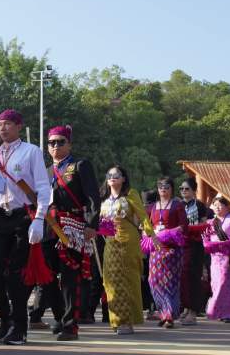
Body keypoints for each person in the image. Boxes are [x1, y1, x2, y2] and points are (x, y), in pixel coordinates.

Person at [0, 109, 50, 345]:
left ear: (19, 126)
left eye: (8, 123)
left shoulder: (31, 152)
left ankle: (20, 327)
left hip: (23, 217)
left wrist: (39, 219)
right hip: (0, 218)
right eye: (0, 124)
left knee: (17, 275)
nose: (3, 128)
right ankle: (5, 319)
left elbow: (43, 187)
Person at [39, 125, 100, 341]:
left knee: (69, 277)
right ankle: (59, 316)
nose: (55, 146)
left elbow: (93, 197)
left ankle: (69, 325)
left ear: (69, 144)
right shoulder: (44, 171)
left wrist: (92, 224)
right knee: (45, 276)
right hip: (48, 227)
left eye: (60, 141)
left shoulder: (80, 165)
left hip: (72, 226)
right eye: (51, 142)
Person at [99, 165, 153, 335]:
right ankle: (116, 320)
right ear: (107, 180)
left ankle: (127, 321)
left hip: (128, 242)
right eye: (110, 175)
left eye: (117, 175)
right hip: (110, 243)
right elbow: (100, 222)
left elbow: (143, 216)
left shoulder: (131, 194)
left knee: (127, 280)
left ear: (123, 179)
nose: (113, 177)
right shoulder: (104, 199)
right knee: (111, 281)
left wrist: (151, 235)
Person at [144, 177, 188, 329]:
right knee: (153, 281)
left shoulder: (178, 206)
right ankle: (163, 312)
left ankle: (169, 315)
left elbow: (184, 226)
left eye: (167, 186)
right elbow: (146, 226)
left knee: (170, 282)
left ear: (172, 189)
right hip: (156, 250)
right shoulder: (152, 207)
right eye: (160, 186)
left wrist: (168, 232)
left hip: (172, 250)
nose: (163, 188)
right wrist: (147, 233)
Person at [178, 178, 210, 325]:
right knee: (182, 277)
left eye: (186, 189)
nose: (184, 191)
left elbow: (204, 225)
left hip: (195, 244)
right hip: (180, 244)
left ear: (193, 190)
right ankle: (185, 307)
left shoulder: (199, 205)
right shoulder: (177, 205)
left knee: (193, 277)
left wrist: (193, 229)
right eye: (181, 189)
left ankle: (193, 311)